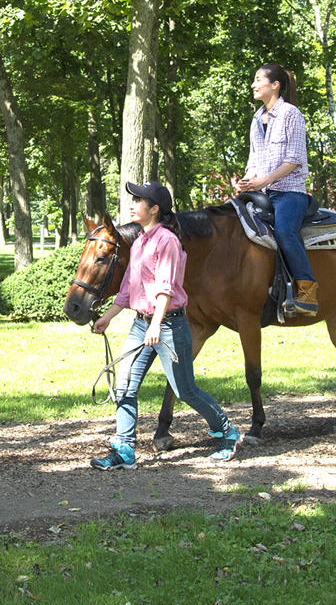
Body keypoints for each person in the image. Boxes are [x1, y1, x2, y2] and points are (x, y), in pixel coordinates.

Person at [89, 180, 240, 469]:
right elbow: (129, 287)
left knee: (185, 390)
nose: (132, 205)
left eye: (138, 201)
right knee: (125, 387)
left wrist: (156, 325)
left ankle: (227, 432)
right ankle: (124, 450)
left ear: (155, 209)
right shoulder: (140, 241)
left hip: (168, 325)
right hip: (141, 324)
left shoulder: (167, 241)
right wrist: (109, 316)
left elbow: (166, 289)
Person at [234, 63, 318, 316]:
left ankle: (307, 290)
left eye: (258, 79)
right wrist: (247, 181)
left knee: (285, 232)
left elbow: (294, 159)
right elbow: (254, 162)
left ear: (275, 85)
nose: (253, 84)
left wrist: (263, 181)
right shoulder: (256, 119)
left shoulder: (291, 114)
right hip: (263, 191)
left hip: (289, 192)